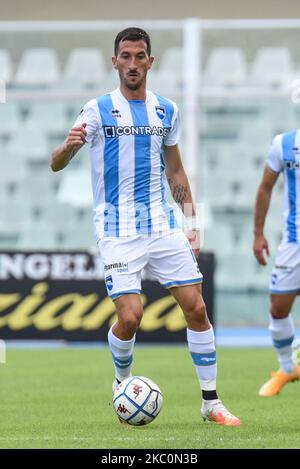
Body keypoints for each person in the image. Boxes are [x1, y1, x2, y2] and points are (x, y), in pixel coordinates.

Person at [51, 27, 240, 426]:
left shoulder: (166, 110)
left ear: (150, 61)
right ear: (114, 61)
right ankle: (123, 383)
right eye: (126, 56)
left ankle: (211, 402)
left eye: (140, 57)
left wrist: (192, 220)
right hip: (117, 228)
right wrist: (68, 147)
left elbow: (176, 169)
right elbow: (56, 162)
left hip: (160, 224)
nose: (133, 64)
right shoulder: (96, 109)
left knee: (197, 308)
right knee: (132, 315)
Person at [253, 129, 300, 397]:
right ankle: (287, 368)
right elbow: (265, 187)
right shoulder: (285, 143)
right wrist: (258, 234)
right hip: (293, 242)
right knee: (278, 307)